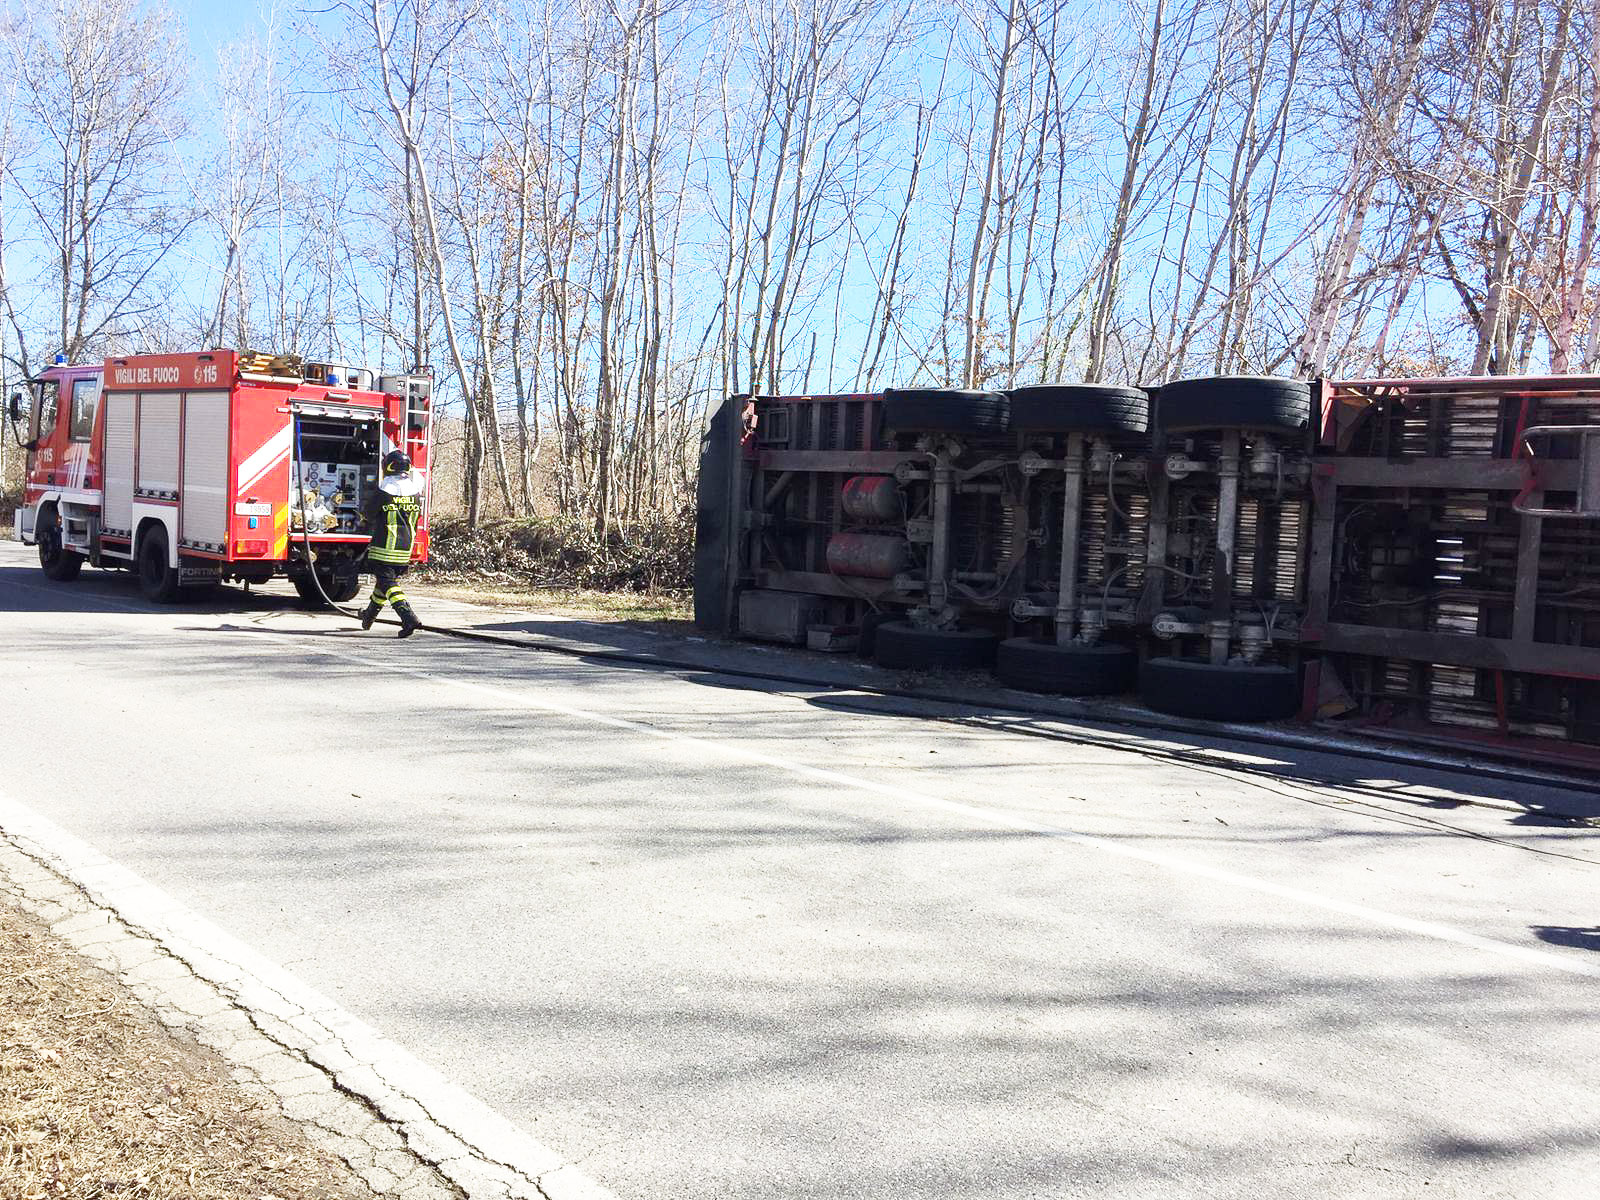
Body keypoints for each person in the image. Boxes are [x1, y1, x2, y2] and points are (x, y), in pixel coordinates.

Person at [360, 450, 424, 637]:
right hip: (405, 548)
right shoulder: (415, 493)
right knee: (383, 582)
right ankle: (369, 616)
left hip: (385, 547)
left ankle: (408, 617)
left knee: (388, 583)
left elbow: (368, 514)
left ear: (387, 467)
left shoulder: (385, 490)